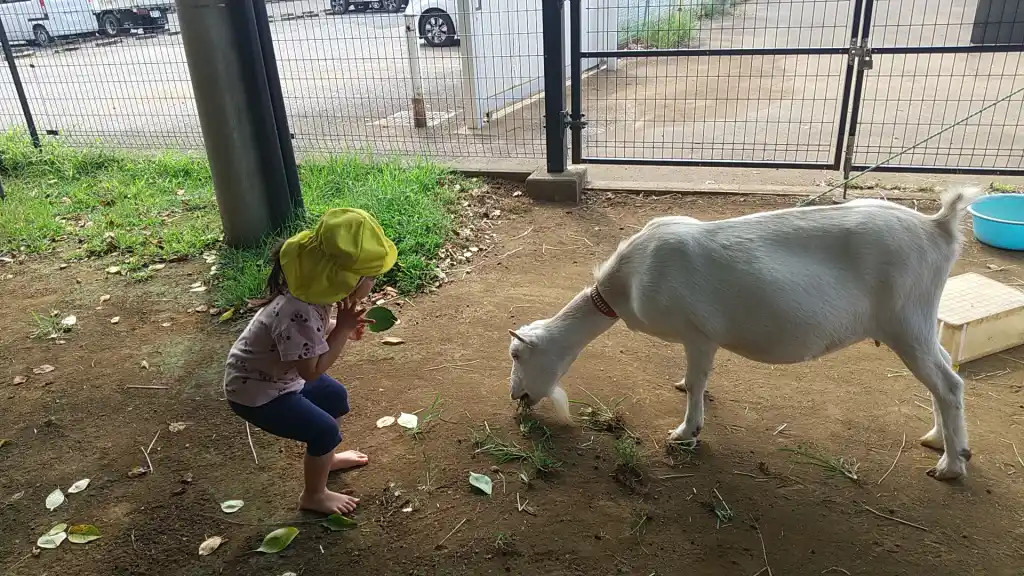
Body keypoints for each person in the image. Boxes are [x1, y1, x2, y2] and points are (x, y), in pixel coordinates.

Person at [222, 208, 397, 515]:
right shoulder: (297, 311)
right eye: (370, 277)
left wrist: (336, 327)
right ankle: (313, 495)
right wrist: (341, 329)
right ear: (345, 280)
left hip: (279, 379)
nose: (373, 282)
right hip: (257, 395)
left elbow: (312, 336)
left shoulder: (313, 294)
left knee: (335, 397)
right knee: (324, 430)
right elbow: (312, 371)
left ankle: (324, 460)